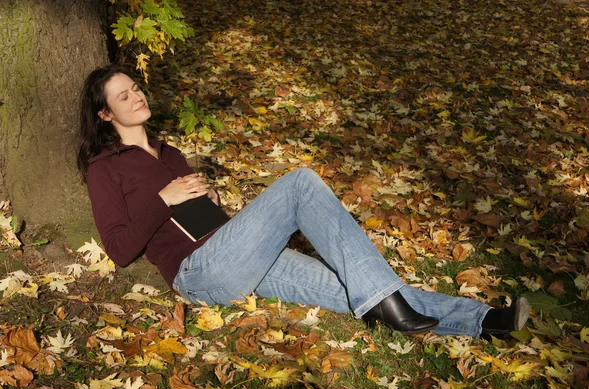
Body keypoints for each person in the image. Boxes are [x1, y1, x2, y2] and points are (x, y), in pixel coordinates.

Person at [77, 65, 529, 339]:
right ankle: (392, 306)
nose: (136, 96)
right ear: (105, 114)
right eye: (123, 96)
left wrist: (210, 199)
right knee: (299, 183)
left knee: (355, 285)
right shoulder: (105, 167)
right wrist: (165, 197)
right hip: (198, 273)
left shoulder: (168, 151)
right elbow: (118, 249)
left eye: (136, 88)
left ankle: (486, 321)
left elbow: (201, 217)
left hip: (236, 255)